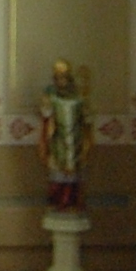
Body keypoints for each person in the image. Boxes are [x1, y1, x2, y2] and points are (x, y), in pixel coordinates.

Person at [40, 61, 89, 210]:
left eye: (63, 77)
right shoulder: (51, 95)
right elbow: (46, 116)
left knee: (73, 174)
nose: (61, 80)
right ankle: (58, 202)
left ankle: (72, 202)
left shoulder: (78, 97)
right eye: (58, 77)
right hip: (58, 139)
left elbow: (85, 118)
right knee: (58, 173)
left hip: (75, 139)